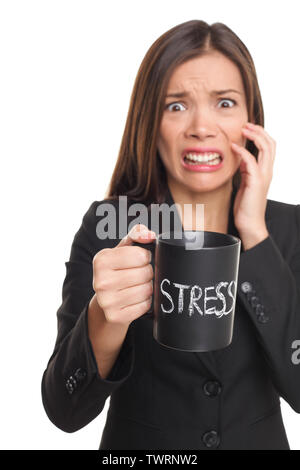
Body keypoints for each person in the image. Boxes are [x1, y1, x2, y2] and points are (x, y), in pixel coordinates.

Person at [41, 20, 300, 450]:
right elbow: (63, 409)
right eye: (176, 106)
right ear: (150, 122)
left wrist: (254, 233)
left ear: (250, 121)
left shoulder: (290, 230)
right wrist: (104, 318)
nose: (201, 126)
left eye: (225, 103)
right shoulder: (111, 226)